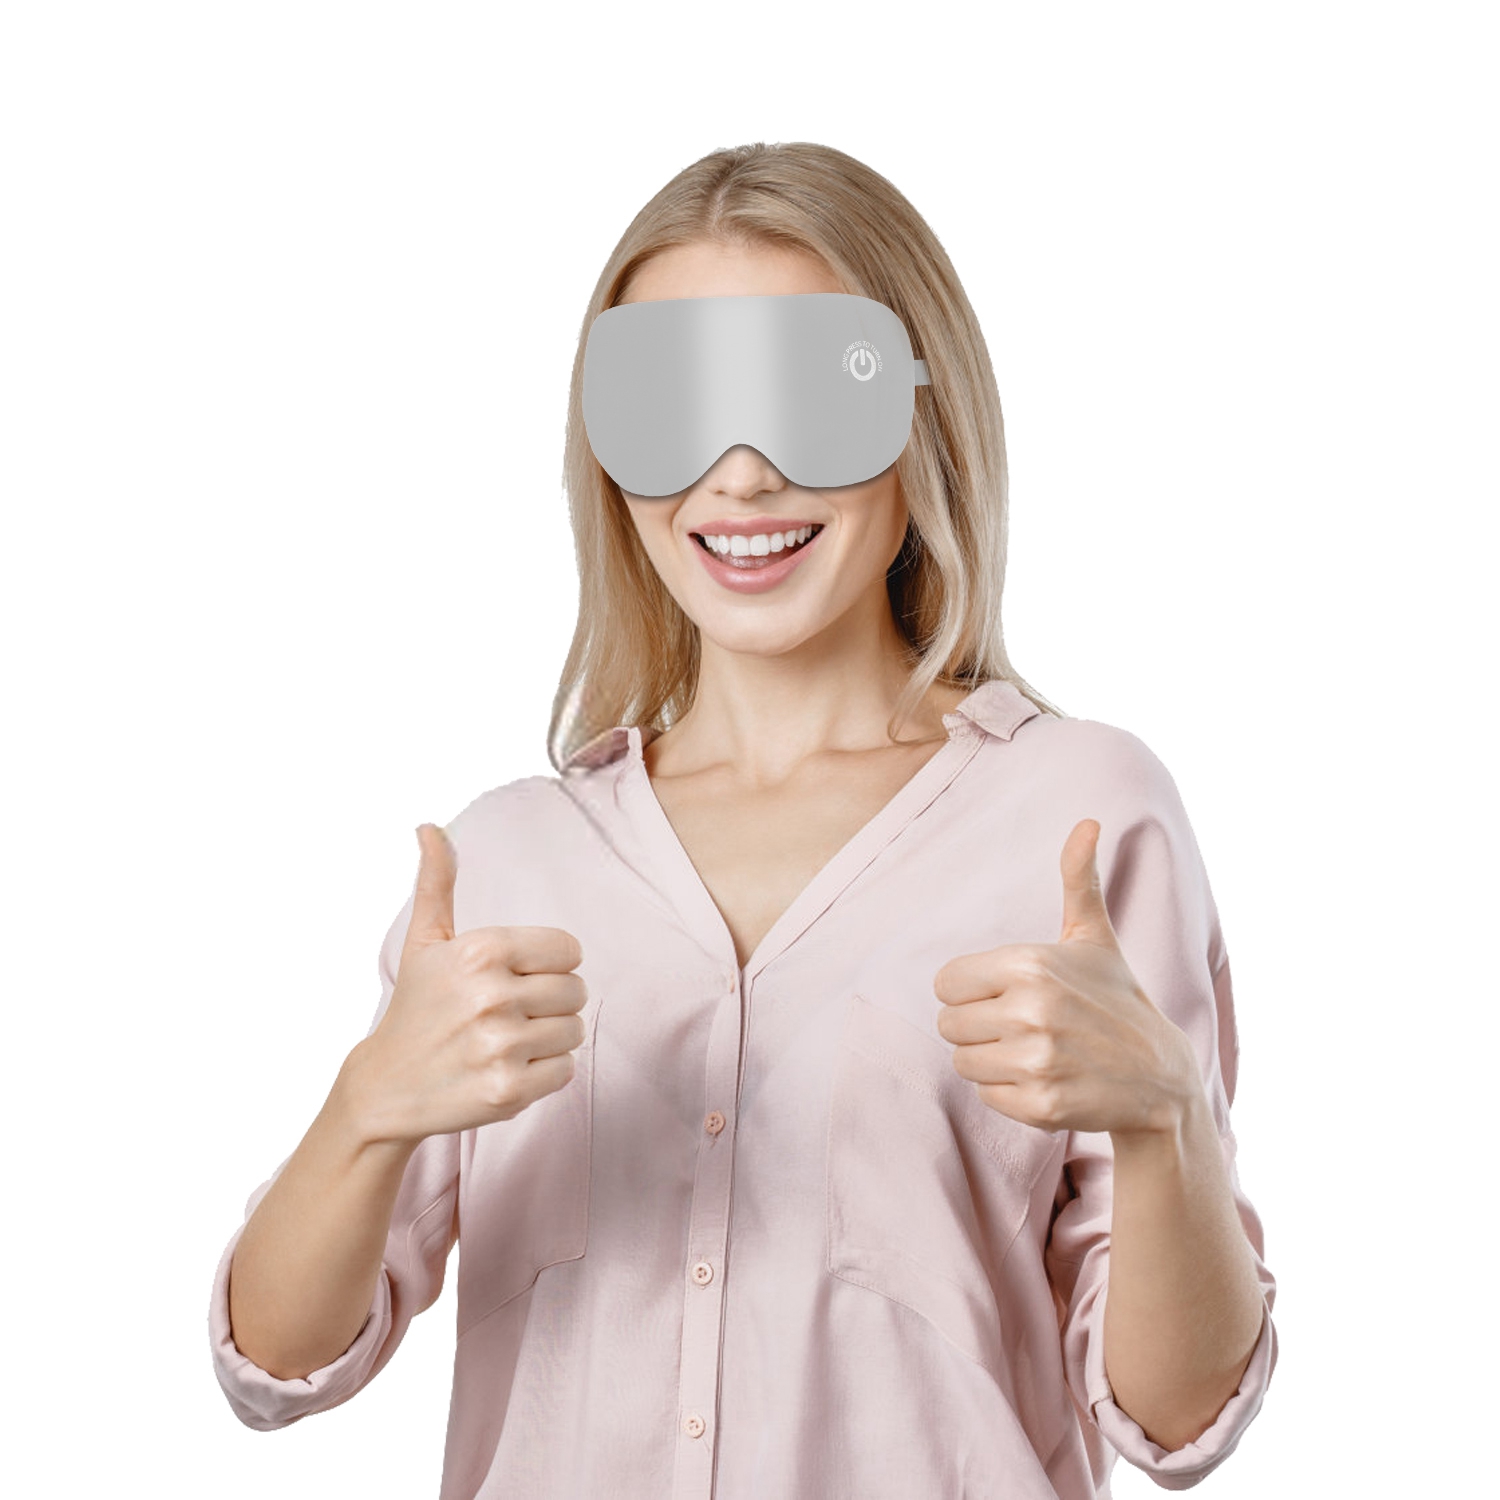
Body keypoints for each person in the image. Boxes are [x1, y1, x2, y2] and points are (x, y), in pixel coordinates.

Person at [208, 141, 1278, 1499]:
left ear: (923, 414)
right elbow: (277, 1364)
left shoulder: (1078, 817)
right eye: (672, 408)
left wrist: (1165, 1119)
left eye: (811, 401)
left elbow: (1178, 1421)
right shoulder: (510, 860)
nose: (743, 475)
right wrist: (369, 1109)